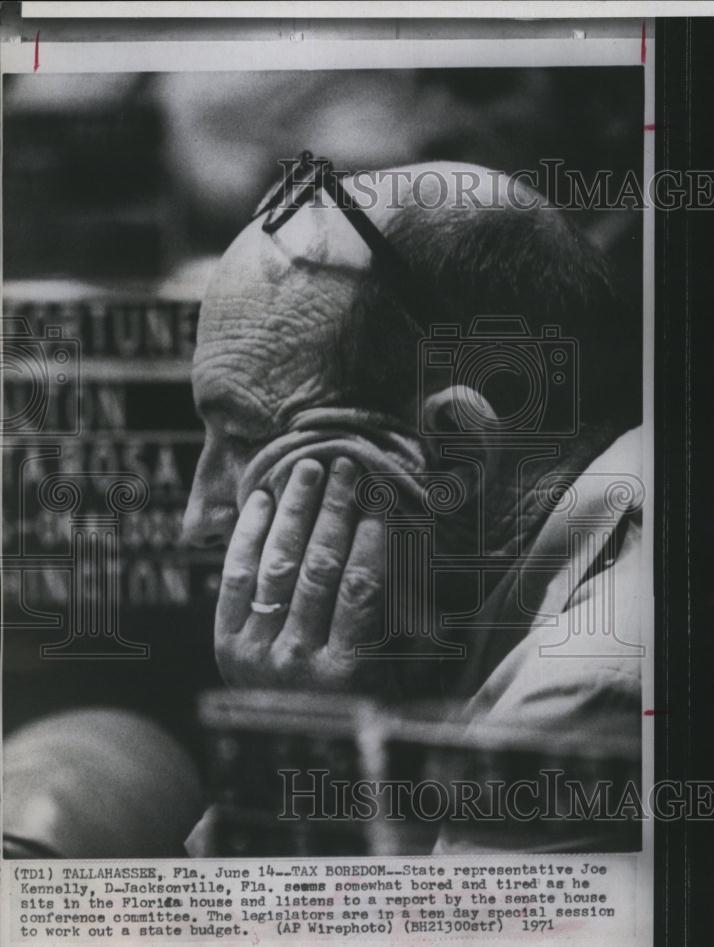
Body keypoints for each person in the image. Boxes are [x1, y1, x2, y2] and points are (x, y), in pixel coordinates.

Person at [182, 159, 645, 853]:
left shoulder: (578, 698)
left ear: (456, 452)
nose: (199, 519)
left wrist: (306, 749)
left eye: (249, 438)